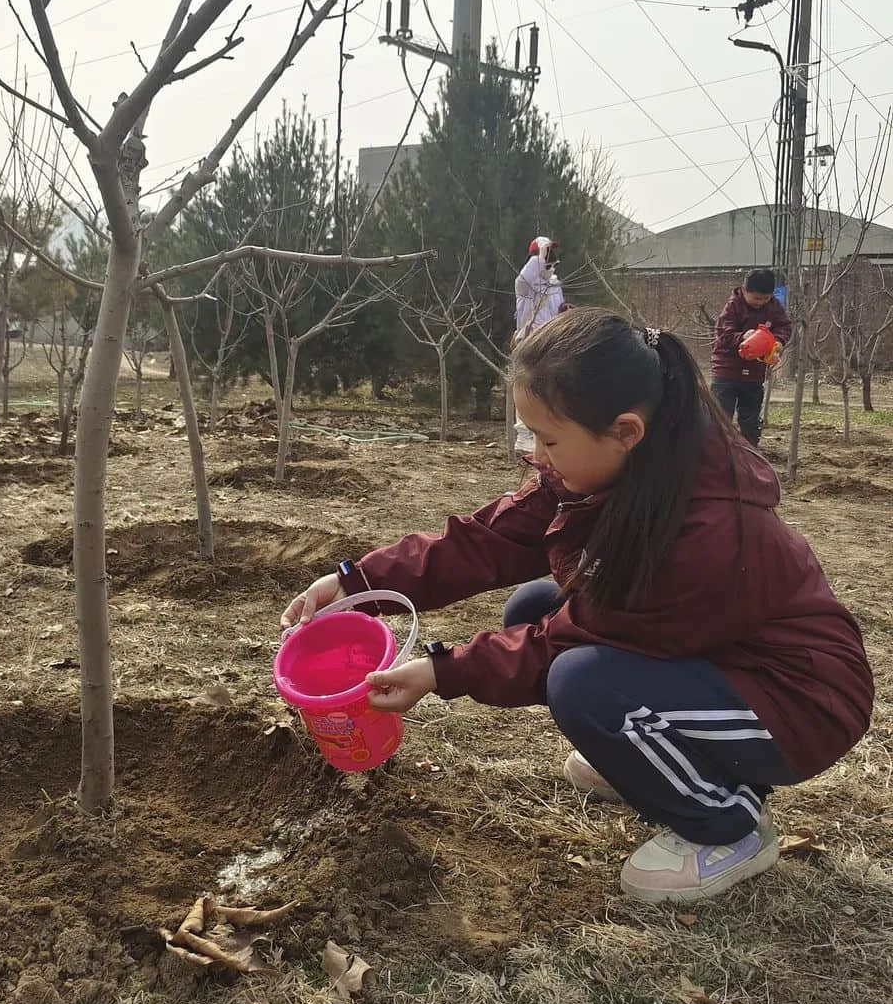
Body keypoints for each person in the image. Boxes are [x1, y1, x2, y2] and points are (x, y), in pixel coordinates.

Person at [282, 308, 872, 906]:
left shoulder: (704, 529)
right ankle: (659, 763)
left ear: (625, 431)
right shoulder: (627, 470)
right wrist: (359, 581)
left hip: (798, 701)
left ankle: (729, 822)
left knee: (583, 681)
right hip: (719, 661)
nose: (537, 455)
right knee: (535, 602)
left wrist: (443, 670)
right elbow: (489, 541)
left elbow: (558, 645)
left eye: (549, 439)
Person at [711, 268, 792, 447]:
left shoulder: (774, 307)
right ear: (744, 290)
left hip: (755, 373)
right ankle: (717, 450)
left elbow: (784, 327)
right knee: (720, 417)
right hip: (727, 371)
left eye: (765, 298)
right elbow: (724, 334)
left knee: (750, 419)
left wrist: (778, 342)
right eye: (756, 298)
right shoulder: (733, 306)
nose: (760, 302)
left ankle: (750, 451)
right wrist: (743, 337)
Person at [513, 237, 564, 455]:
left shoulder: (553, 286)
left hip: (551, 342)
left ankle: (541, 437)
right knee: (528, 387)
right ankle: (524, 437)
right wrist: (539, 256)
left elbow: (556, 308)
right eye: (547, 258)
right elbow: (525, 278)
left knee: (548, 391)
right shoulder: (527, 287)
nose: (550, 263)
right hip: (531, 341)